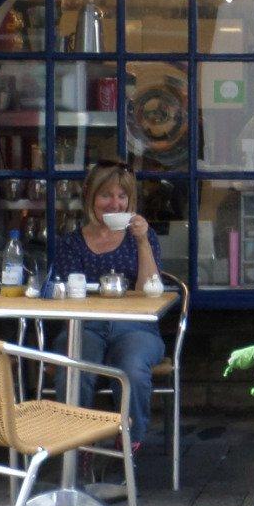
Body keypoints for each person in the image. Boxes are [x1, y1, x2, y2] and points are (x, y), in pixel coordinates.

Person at [48, 160, 166, 446]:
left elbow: (150, 291)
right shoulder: (72, 243)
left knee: (133, 369)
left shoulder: (142, 237)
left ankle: (130, 444)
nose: (115, 204)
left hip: (135, 327)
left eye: (122, 196)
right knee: (74, 368)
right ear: (91, 197)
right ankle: (78, 446)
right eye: (106, 195)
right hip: (84, 325)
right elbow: (64, 296)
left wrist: (142, 242)